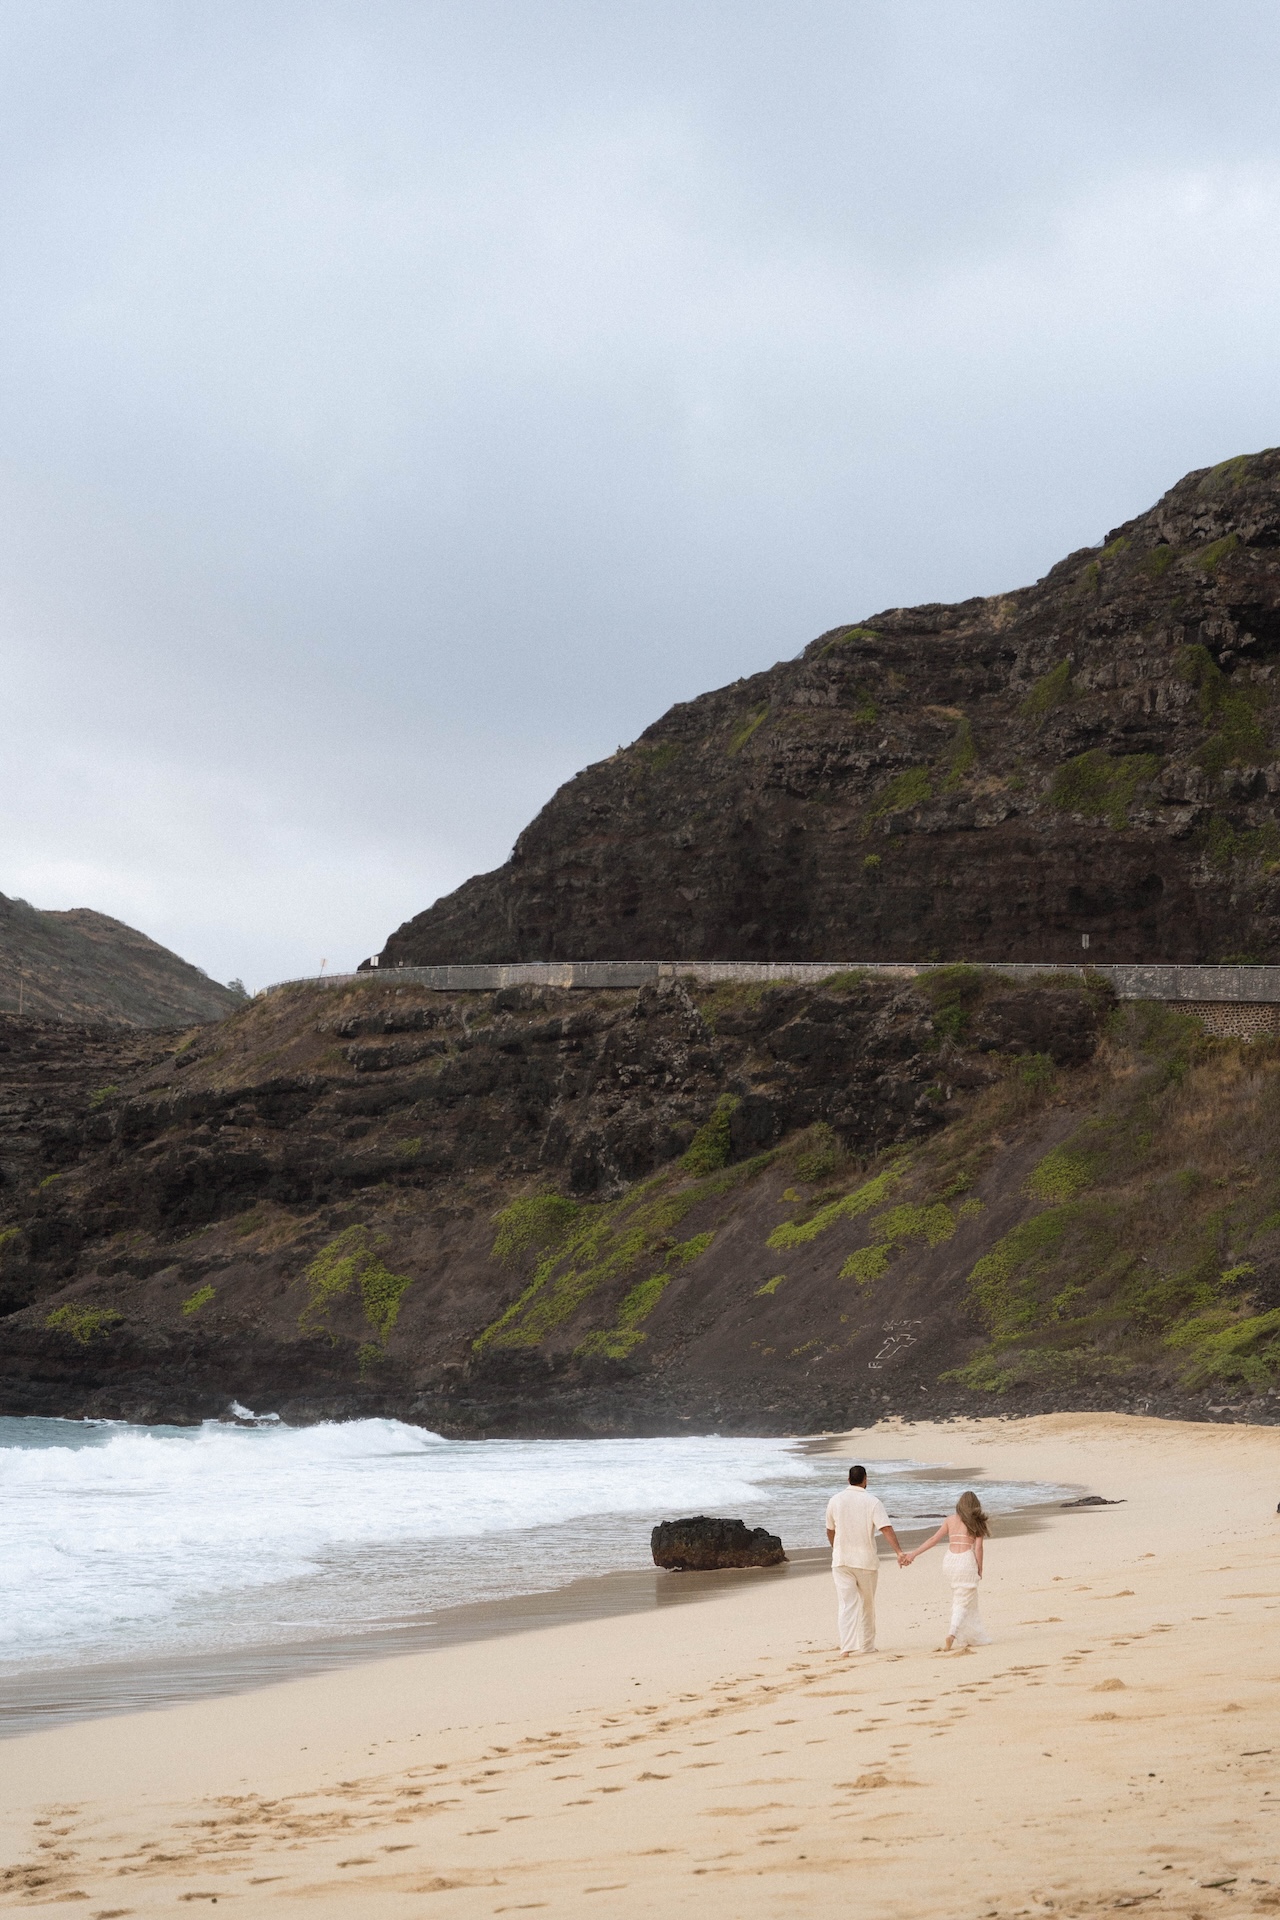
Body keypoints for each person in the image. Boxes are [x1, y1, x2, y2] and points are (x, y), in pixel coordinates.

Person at [824, 1465, 906, 1655]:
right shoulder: (872, 1502)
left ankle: (847, 1647)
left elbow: (830, 1530)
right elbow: (885, 1528)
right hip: (865, 1562)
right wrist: (899, 1552)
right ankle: (867, 1646)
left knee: (846, 1605)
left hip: (841, 1561)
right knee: (867, 1604)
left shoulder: (835, 1500)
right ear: (865, 1479)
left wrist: (836, 1548)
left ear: (848, 1479)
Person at [901, 1490, 991, 1650]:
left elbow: (934, 1539)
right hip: (965, 1560)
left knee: (965, 1597)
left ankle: (971, 1635)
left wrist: (913, 1554)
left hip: (950, 1560)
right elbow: (978, 1548)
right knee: (962, 1600)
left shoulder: (950, 1520)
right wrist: (979, 1567)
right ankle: (952, 1634)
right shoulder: (977, 1522)